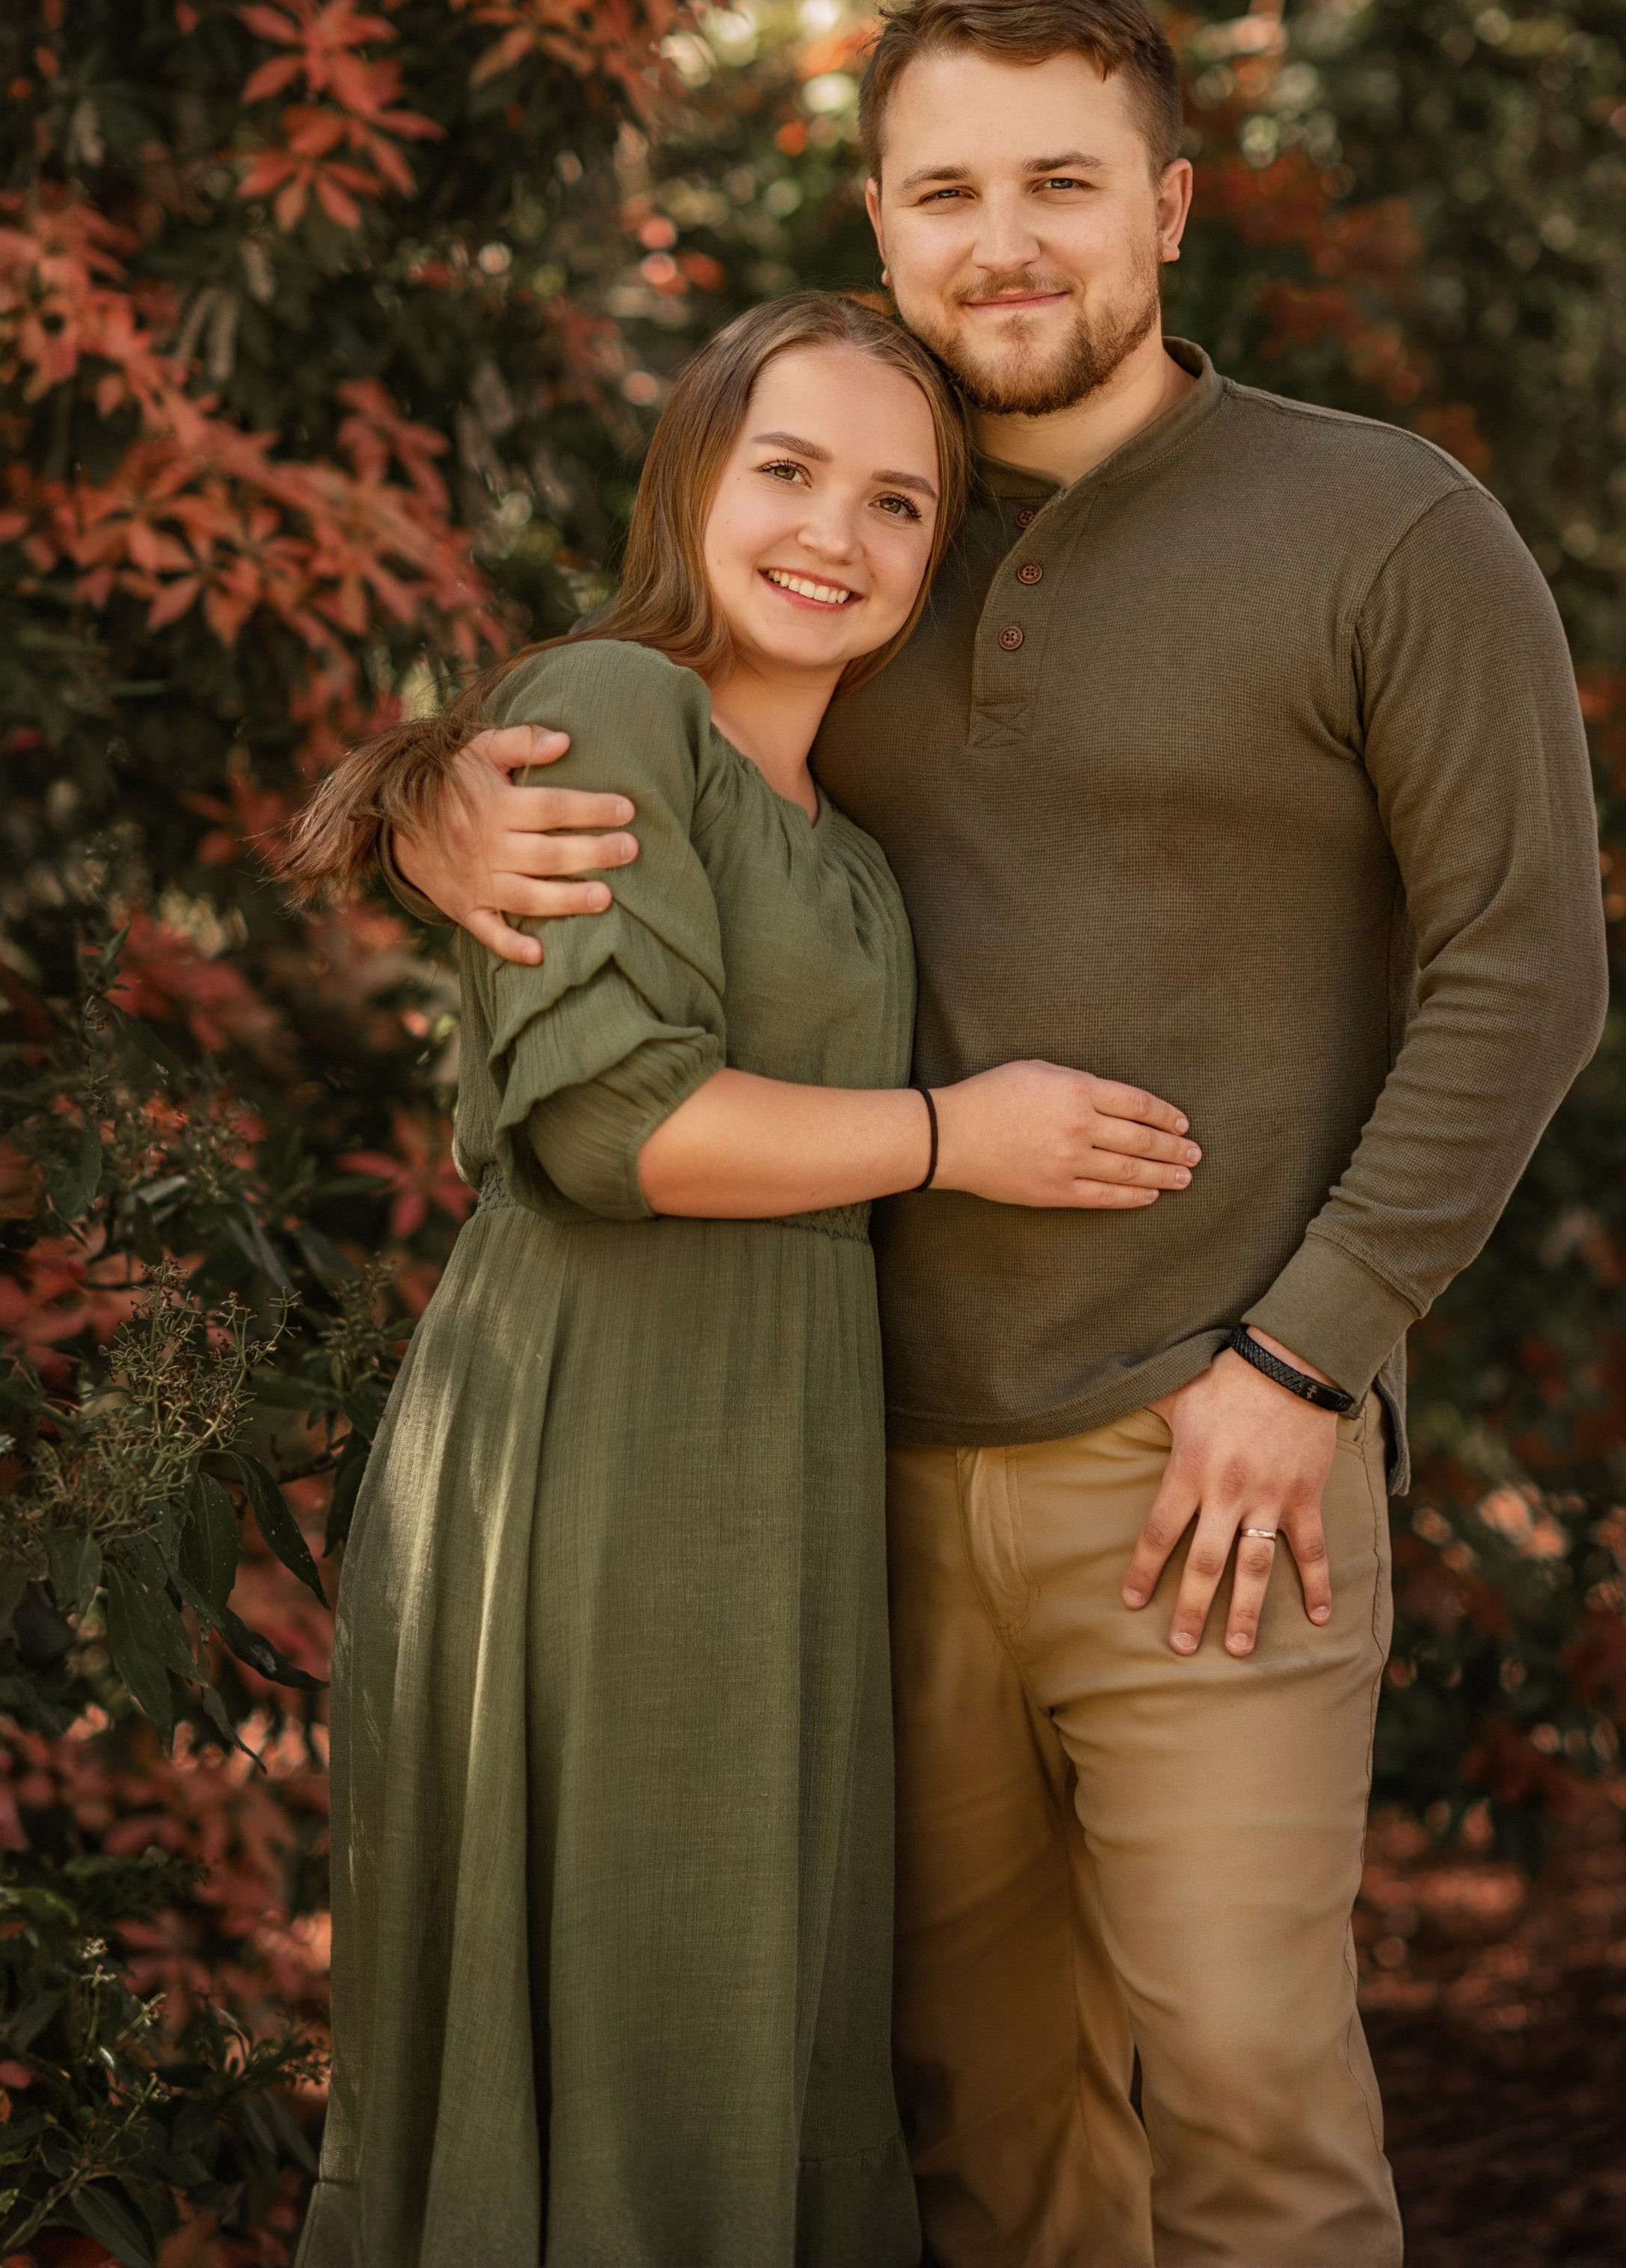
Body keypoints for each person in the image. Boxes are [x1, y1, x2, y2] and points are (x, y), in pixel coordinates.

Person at [360, 0, 1610, 2268]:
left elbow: (1528, 971)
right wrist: (423, 800)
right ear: (879, 212)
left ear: (1170, 208)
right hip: (848, 1466)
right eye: (946, 187)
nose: (1003, 239)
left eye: (1061, 180)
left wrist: (1308, 1356)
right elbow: (628, 741)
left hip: (1213, 1457)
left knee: (1245, 2086)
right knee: (987, 2134)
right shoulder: (859, 523)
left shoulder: (1383, 528)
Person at [278, 291, 1206, 2268]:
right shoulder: (622, 709)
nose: (832, 535)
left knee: (752, 2008)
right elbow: (629, 1129)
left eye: (896, 502)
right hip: (598, 1444)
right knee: (630, 2009)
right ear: (695, 471)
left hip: (773, 1457)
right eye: (786, 470)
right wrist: (968, 1134)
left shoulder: (849, 839)